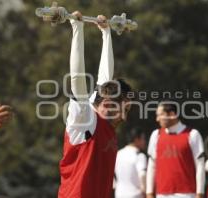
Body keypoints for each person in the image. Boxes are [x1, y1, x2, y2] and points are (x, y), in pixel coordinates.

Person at [58, 11, 132, 198]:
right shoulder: (86, 120)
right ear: (107, 105)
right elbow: (77, 79)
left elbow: (104, 80)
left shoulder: (107, 127)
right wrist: (77, 27)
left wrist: (106, 33)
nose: (126, 116)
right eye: (126, 108)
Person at [146, 102, 205, 198]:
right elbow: (151, 165)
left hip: (187, 194)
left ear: (172, 115)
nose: (157, 119)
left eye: (160, 115)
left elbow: (200, 165)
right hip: (161, 194)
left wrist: (200, 193)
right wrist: (149, 193)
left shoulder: (193, 134)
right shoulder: (156, 135)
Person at [114, 128, 147, 198]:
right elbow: (142, 175)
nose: (144, 141)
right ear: (136, 140)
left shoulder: (118, 154)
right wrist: (146, 193)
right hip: (136, 195)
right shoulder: (140, 156)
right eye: (143, 138)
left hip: (119, 194)